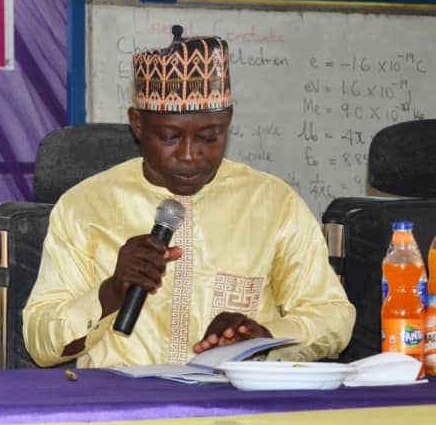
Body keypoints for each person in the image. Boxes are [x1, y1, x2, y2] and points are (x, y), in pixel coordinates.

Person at [22, 26, 355, 368]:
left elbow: (334, 319)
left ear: (228, 122)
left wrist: (264, 337)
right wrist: (111, 291)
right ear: (137, 124)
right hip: (119, 398)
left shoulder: (275, 204)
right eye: (170, 138)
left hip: (231, 397)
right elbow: (40, 343)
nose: (189, 154)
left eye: (209, 137)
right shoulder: (85, 206)